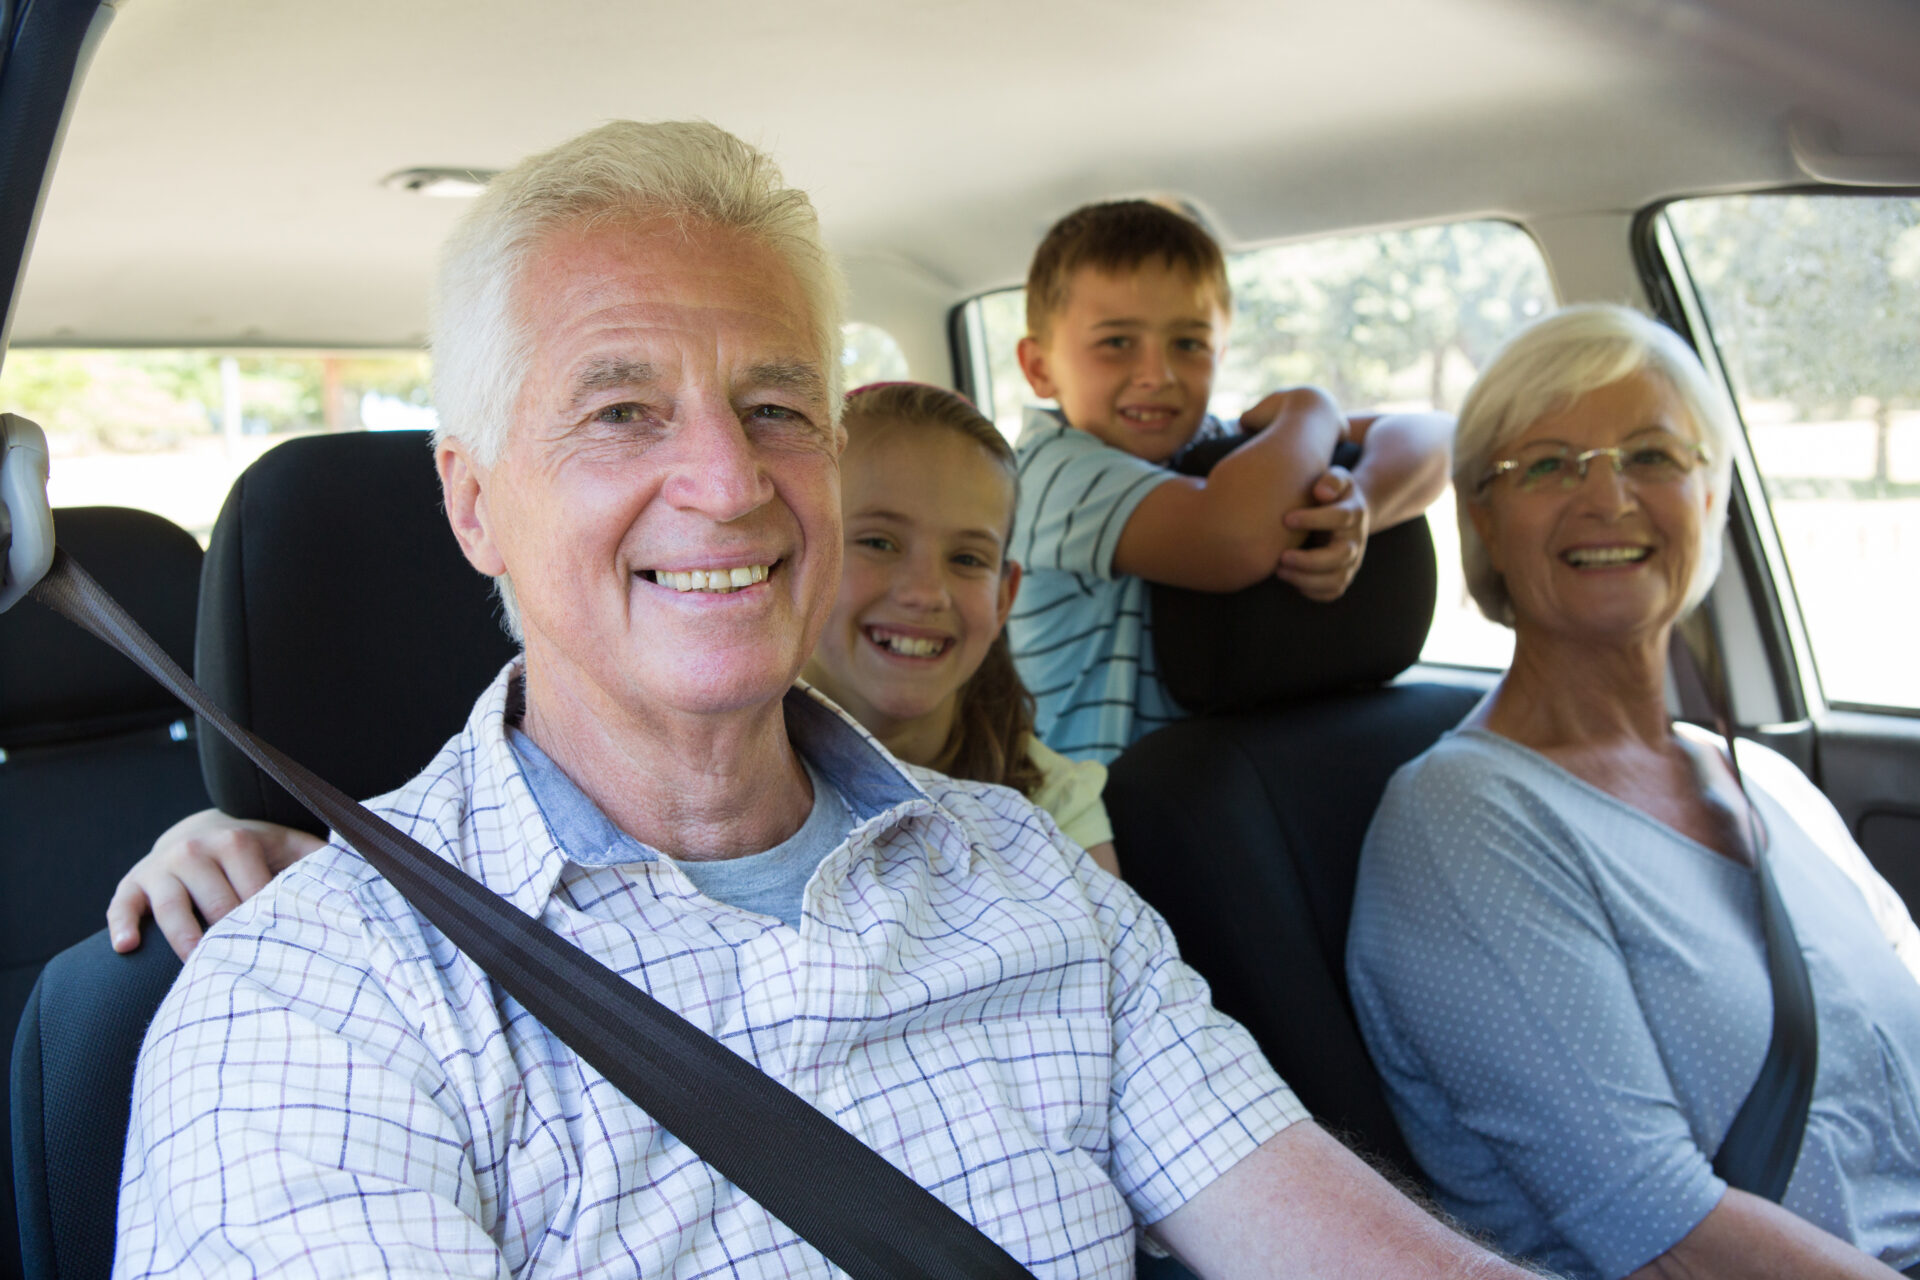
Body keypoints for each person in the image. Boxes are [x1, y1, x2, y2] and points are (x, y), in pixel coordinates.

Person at [111, 119, 1542, 1277]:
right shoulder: (318, 997)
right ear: (475, 502)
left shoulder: (1031, 874)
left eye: (779, 408)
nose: (730, 485)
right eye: (622, 412)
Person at [107, 380, 1117, 964]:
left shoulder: (1041, 815)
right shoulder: (627, 783)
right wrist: (209, 836)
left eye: (969, 556)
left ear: (1011, 583)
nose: (924, 590)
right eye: (876, 541)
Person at [1346, 303, 1920, 1280]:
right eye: (1548, 463)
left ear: (1714, 495)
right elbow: (1668, 1236)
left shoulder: (1768, 780)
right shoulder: (1463, 820)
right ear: (1483, 516)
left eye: (1652, 454)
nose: (1606, 494)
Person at [1007, 199, 1454, 761]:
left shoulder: (1207, 444)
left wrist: (1358, 505)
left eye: (1189, 344)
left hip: (1182, 781)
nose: (1157, 375)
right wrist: (1312, 409)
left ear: (1220, 352)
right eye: (1117, 342)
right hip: (1082, 818)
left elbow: (1434, 435)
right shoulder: (1049, 471)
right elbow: (1234, 538)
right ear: (1040, 368)